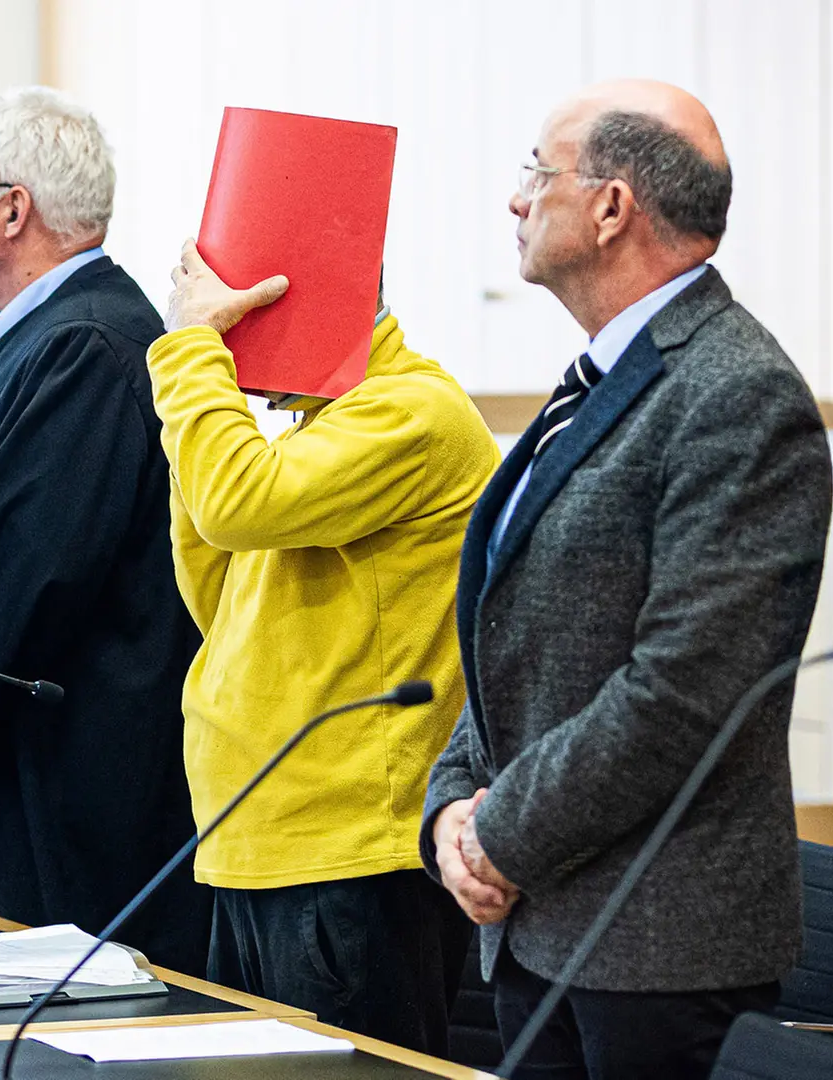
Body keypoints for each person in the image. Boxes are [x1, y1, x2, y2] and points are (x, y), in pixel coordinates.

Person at [421, 80, 832, 1079]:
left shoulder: (738, 392)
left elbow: (685, 690)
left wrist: (499, 834)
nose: (516, 198)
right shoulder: (605, 376)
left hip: (658, 953)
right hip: (540, 931)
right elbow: (520, 634)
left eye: (537, 171)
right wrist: (452, 807)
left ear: (611, 207)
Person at [0, 87, 210, 975]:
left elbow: (18, 576)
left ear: (14, 210)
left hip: (67, 791)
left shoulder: (86, 347)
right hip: (25, 771)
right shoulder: (57, 336)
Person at [148, 249, 499, 1051]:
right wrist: (203, 412)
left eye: (237, 315)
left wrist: (192, 355)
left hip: (347, 859)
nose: (226, 336)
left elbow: (234, 505)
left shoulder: (412, 412)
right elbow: (218, 596)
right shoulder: (315, 432)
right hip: (255, 837)